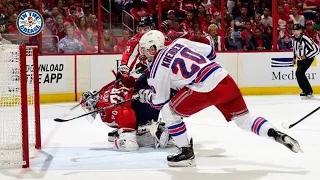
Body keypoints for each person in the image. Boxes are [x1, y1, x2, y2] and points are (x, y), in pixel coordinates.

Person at [137, 30, 302, 167]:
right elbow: (210, 52)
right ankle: (274, 133)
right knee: (244, 120)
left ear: (153, 48)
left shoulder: (157, 70)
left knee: (169, 112)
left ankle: (186, 152)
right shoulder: (180, 43)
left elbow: (159, 102)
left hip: (203, 88)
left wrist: (145, 96)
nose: (143, 54)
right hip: (223, 77)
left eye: (144, 50)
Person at [79, 76, 171, 151]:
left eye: (87, 106)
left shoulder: (103, 112)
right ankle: (168, 128)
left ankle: (155, 132)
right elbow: (130, 81)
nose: (88, 109)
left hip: (141, 108)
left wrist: (127, 133)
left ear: (91, 101)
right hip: (149, 95)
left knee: (131, 136)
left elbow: (126, 116)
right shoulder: (107, 89)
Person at [292, 24, 320, 99]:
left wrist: (306, 56)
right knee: (299, 74)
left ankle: (309, 91)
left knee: (299, 73)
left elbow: (316, 50)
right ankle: (305, 91)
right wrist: (294, 57)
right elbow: (295, 48)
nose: (296, 32)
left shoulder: (305, 39)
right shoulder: (293, 38)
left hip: (308, 59)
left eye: (297, 30)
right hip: (300, 59)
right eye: (294, 30)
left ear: (301, 31)